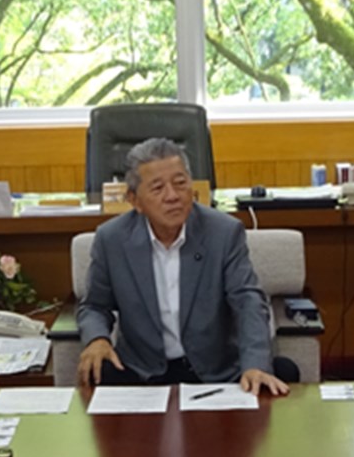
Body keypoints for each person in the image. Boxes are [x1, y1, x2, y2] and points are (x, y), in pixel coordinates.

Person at [75, 138, 294, 395]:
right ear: (134, 200)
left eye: (180, 183)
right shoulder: (112, 239)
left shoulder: (223, 232)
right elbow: (94, 306)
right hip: (142, 371)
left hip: (215, 370)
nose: (172, 196)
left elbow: (248, 301)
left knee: (281, 374)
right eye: (158, 188)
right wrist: (97, 339)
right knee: (99, 373)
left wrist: (255, 364)